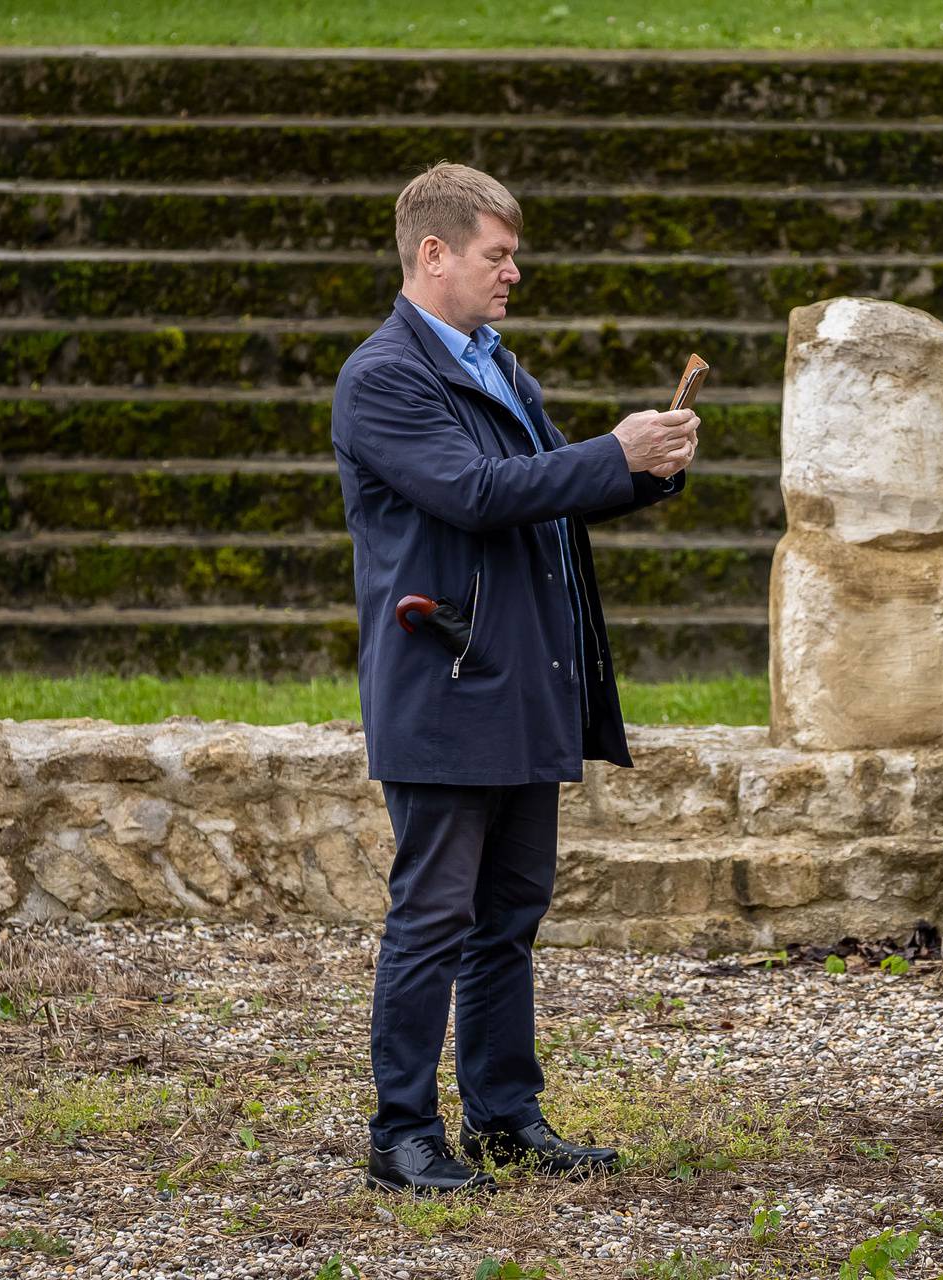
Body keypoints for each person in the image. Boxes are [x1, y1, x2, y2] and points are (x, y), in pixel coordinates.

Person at [330, 162, 698, 1194]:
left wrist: (645, 466)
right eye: (498, 254)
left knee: (508, 913)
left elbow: (546, 498)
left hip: (521, 680)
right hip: (444, 682)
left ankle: (503, 1116)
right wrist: (607, 450)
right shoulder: (384, 376)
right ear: (433, 252)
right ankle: (401, 1132)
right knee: (433, 914)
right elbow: (475, 492)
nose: (514, 273)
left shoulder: (494, 363)